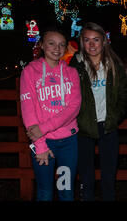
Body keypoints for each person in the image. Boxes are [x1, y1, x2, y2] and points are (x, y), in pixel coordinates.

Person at [69, 22, 127, 201]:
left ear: (104, 41)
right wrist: (77, 118)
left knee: (108, 177)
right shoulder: (76, 65)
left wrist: (116, 115)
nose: (92, 45)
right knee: (86, 177)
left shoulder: (114, 64)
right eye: (87, 40)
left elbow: (124, 93)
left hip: (108, 126)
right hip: (84, 127)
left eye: (96, 40)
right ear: (81, 42)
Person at [20, 27, 81, 201]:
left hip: (68, 143)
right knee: (45, 192)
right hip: (43, 143)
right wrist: (39, 144)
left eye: (62, 44)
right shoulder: (30, 72)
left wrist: (43, 128)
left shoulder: (71, 73)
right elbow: (28, 110)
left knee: (66, 191)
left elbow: (74, 108)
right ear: (42, 45)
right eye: (52, 43)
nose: (57, 48)